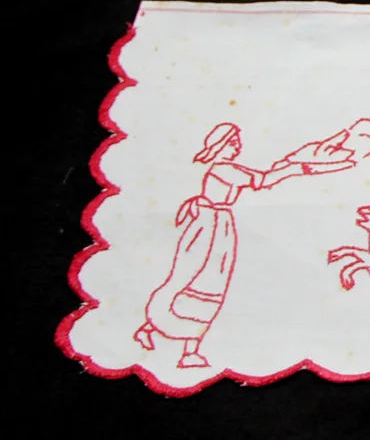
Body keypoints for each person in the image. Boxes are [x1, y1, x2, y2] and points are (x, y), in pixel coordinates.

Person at [133, 122, 351, 368]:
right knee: (197, 279)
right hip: (210, 229)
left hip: (218, 227)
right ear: (219, 146)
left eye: (237, 142)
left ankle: (157, 333)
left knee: (205, 281)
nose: (237, 146)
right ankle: (185, 349)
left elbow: (264, 176)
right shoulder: (224, 170)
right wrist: (296, 168)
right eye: (232, 142)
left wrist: (304, 167)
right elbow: (263, 179)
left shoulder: (226, 171)